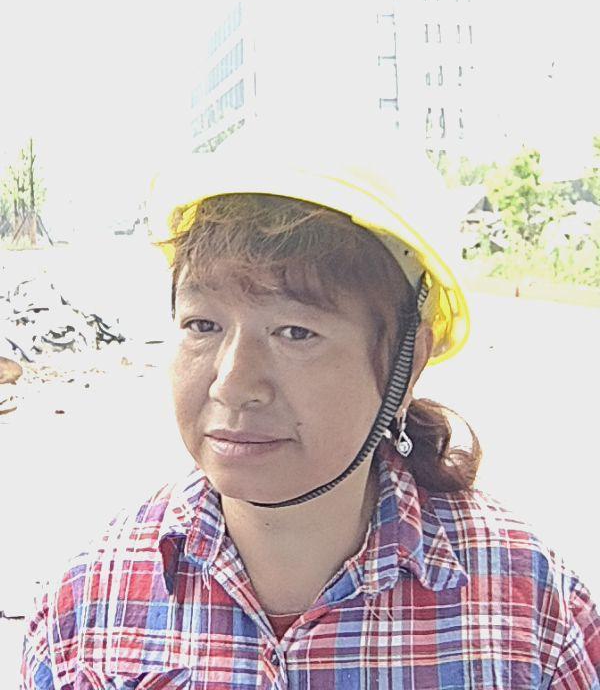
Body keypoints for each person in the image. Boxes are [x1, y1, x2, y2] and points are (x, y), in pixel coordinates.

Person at [21, 121, 600, 688]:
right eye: (203, 324)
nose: (233, 384)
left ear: (407, 362)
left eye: (295, 332)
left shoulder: (528, 612)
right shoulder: (86, 606)